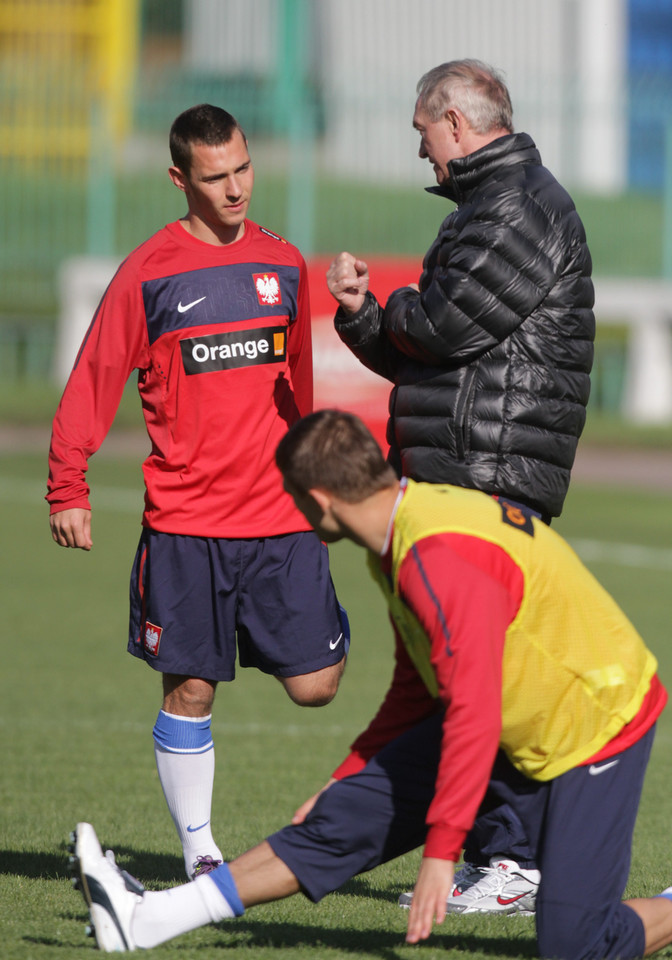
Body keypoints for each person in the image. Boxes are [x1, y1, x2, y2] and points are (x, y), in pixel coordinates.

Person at [70, 409, 672, 959]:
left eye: (295, 502)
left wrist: (441, 854)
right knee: (338, 822)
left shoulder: (436, 555)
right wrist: (347, 778)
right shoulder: (398, 528)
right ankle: (145, 919)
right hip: (511, 711)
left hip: (598, 721)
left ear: (321, 500)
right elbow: (417, 689)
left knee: (574, 947)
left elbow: (475, 713)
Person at [47, 105, 348, 882]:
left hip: (280, 517)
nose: (237, 187)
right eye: (216, 177)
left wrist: (320, 484)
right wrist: (67, 483)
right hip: (187, 524)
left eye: (244, 168)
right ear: (180, 178)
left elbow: (301, 392)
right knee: (190, 687)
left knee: (318, 685)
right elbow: (94, 378)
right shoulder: (149, 272)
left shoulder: (284, 264)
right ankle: (200, 849)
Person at [326, 58, 595, 909]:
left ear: (454, 120)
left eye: (421, 135)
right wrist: (368, 317)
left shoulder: (517, 206)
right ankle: (496, 854)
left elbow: (441, 326)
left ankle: (515, 862)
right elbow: (424, 342)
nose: (420, 156)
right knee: (454, 672)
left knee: (485, 673)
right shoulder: (484, 206)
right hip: (461, 470)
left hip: (491, 474)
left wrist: (402, 311)